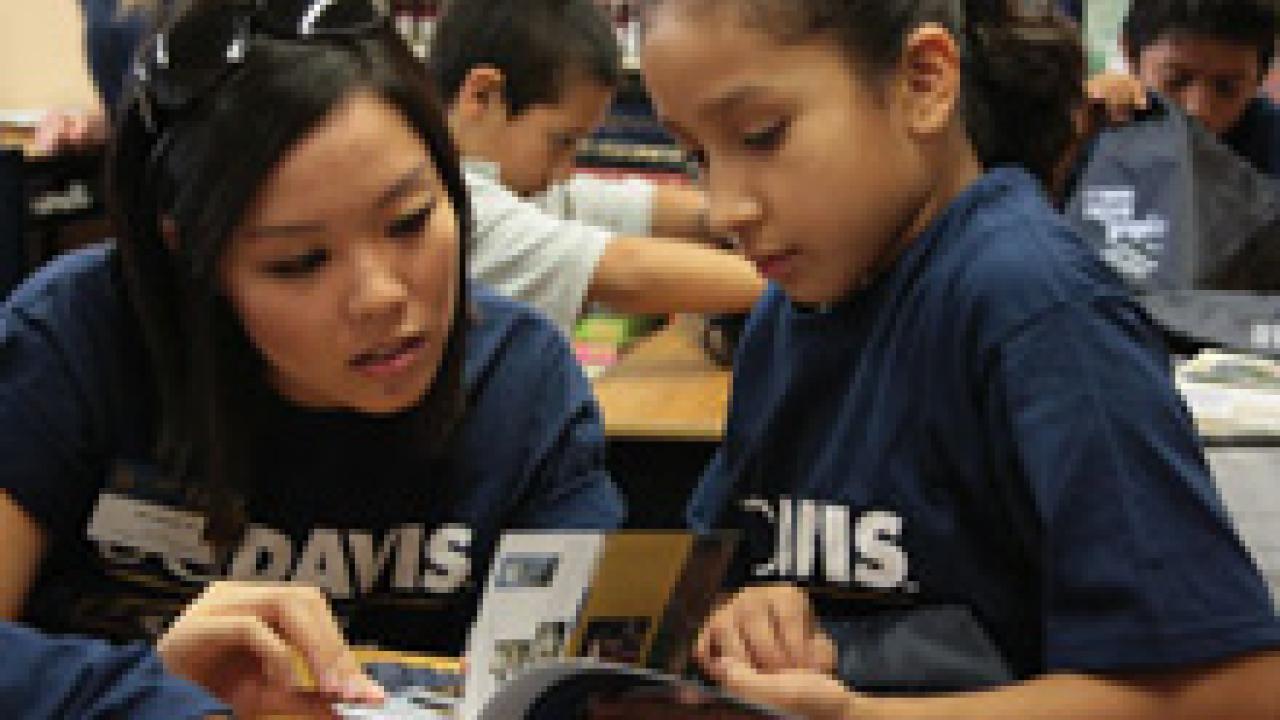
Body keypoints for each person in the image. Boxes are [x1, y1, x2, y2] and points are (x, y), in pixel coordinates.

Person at [636, 0, 1280, 718]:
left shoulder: (1034, 304)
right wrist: (744, 614)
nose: (724, 210)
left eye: (762, 135)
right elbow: (716, 576)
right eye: (696, 157)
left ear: (924, 82)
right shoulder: (791, 310)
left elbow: (1234, 690)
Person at [0, 0, 622, 709]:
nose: (381, 296)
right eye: (297, 261)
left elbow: (571, 683)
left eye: (410, 221)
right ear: (193, 255)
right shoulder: (74, 340)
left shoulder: (523, 387)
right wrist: (152, 696)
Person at [430, 0, 764, 331]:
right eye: (562, 141)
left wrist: (754, 213)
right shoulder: (450, 202)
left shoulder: (512, 186)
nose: (565, 172)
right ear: (482, 96)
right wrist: (790, 279)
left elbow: (649, 209)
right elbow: (626, 273)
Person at [1087, 0, 1280, 178]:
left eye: (1227, 88)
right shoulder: (1086, 133)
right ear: (1130, 56)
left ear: (1260, 79)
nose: (1198, 110)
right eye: (1176, 80)